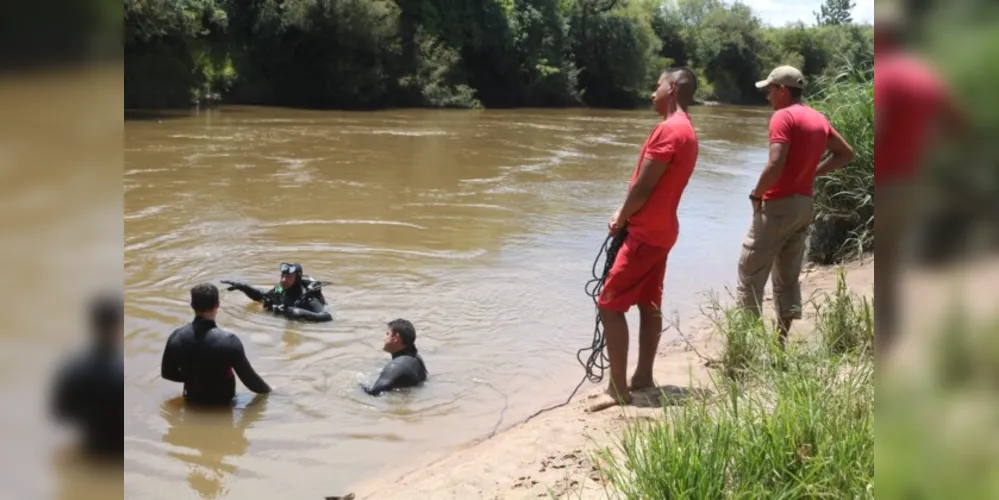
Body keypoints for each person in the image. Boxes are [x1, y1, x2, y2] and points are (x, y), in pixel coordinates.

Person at [590, 67, 701, 412]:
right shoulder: (689, 132)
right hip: (664, 231)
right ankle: (642, 378)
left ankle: (618, 389)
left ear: (671, 89)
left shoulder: (667, 131)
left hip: (643, 234)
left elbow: (642, 187)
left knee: (609, 304)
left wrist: (620, 217)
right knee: (649, 304)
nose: (652, 94)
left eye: (656, 87)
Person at [737, 65, 855, 347]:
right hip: (804, 205)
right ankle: (779, 344)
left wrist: (757, 195)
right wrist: (812, 172)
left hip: (777, 205)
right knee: (788, 277)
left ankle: (742, 348)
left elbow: (775, 164)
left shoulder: (783, 117)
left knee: (750, 272)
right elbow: (845, 154)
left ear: (783, 90)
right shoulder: (817, 117)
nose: (767, 96)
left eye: (770, 89)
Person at [874, 4, 965, 354]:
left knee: (886, 262)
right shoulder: (926, 74)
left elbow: (879, 124)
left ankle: (887, 344)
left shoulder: (886, 75)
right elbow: (958, 124)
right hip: (913, 183)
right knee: (894, 261)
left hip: (885, 183)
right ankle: (895, 334)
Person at [161, 282, 272, 405]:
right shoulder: (229, 341)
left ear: (192, 305)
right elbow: (252, 383)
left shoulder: (176, 337)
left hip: (192, 403)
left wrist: (193, 377)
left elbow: (167, 374)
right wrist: (271, 392)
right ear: (217, 305)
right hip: (223, 407)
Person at [49, 291, 124, 459]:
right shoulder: (122, 370)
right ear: (117, 326)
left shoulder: (73, 368)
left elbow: (59, 413)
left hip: (91, 449)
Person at [221, 262, 333, 323]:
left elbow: (327, 317)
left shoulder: (307, 300)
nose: (284, 280)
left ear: (297, 279)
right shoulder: (280, 289)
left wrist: (300, 313)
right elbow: (263, 297)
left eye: (289, 277)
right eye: (283, 276)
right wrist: (244, 287)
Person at [361, 319, 428, 396]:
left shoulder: (396, 366)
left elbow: (373, 393)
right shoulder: (416, 357)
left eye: (387, 334)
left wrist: (359, 386)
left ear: (395, 338)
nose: (384, 338)